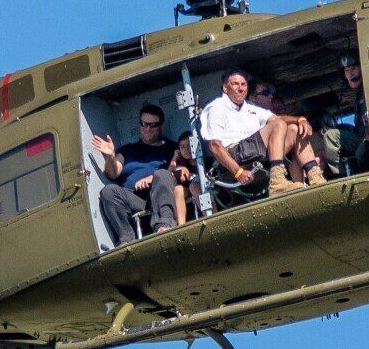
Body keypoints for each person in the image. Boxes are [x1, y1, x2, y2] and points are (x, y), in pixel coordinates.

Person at [200, 70, 326, 195]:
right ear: (225, 88)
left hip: (254, 152)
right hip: (235, 154)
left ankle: (315, 177)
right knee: (278, 125)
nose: (240, 88)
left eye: (243, 84)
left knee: (294, 128)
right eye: (235, 84)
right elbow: (214, 145)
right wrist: (237, 171)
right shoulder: (217, 107)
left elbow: (275, 118)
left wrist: (300, 119)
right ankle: (277, 181)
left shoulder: (250, 107)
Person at [90, 103, 180, 246]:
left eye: (153, 125)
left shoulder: (172, 148)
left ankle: (165, 225)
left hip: (160, 196)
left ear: (161, 126)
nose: (147, 129)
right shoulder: (128, 150)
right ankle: (126, 238)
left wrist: (153, 178)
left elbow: (181, 172)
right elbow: (113, 173)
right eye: (144, 124)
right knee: (108, 191)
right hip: (135, 199)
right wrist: (110, 157)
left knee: (162, 174)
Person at [314, 56, 369, 177]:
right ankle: (340, 175)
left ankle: (338, 177)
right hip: (362, 139)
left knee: (332, 135)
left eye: (354, 68)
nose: (351, 73)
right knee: (334, 132)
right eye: (347, 70)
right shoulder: (359, 97)